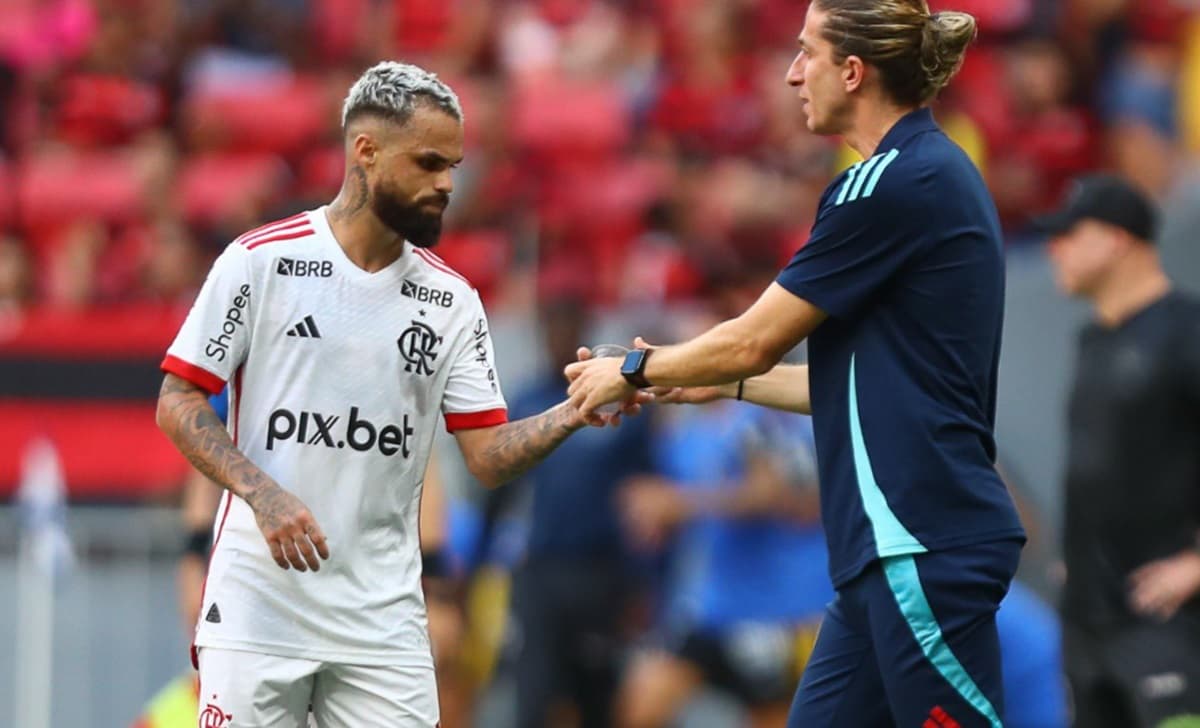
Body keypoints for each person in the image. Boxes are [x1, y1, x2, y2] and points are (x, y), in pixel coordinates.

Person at [566, 1, 1026, 725]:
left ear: (852, 69)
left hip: (919, 541)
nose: (789, 73)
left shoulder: (890, 182)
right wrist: (710, 377)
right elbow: (852, 385)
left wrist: (633, 371)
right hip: (888, 554)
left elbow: (756, 337)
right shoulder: (921, 175)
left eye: (806, 53)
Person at [155, 61, 635, 727]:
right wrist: (262, 495)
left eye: (454, 167)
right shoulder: (259, 263)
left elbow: (488, 454)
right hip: (261, 604)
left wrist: (573, 411)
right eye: (430, 163)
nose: (446, 185)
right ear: (366, 152)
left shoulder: (452, 302)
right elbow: (177, 401)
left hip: (382, 620)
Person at [1038, 174, 1200, 727]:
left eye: (1068, 233)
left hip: (1166, 621)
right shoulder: (1093, 339)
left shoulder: (1186, 332)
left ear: (1115, 239)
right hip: (1088, 620)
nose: (1053, 247)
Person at [482, 288, 656, 728]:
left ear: (585, 331)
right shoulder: (525, 400)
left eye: (568, 325)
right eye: (551, 326)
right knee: (533, 695)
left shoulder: (618, 403)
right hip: (540, 570)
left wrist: (644, 579)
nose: (558, 335)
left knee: (597, 696)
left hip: (602, 571)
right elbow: (499, 488)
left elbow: (646, 490)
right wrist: (479, 563)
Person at [616, 398, 831, 728]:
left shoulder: (760, 418)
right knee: (642, 708)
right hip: (709, 607)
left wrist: (678, 503)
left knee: (774, 718)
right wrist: (654, 521)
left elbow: (771, 493)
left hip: (770, 613)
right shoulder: (682, 432)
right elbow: (687, 510)